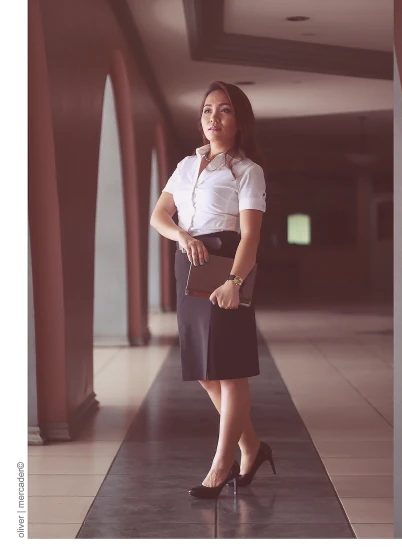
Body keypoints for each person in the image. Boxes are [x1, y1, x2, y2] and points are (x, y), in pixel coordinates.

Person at [150, 81, 276, 499]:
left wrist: (235, 283)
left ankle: (221, 466)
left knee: (230, 368)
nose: (213, 119)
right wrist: (183, 236)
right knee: (205, 371)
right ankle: (252, 447)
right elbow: (159, 215)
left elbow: (251, 238)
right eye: (207, 110)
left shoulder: (247, 171)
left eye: (223, 111)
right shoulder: (187, 165)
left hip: (226, 263)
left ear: (239, 122)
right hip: (190, 261)